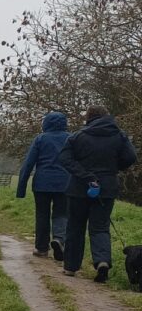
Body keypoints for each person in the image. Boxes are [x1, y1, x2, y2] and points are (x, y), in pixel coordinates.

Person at [59, 105, 138, 282]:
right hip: (107, 187)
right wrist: (114, 168)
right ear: (106, 116)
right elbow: (131, 156)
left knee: (75, 227)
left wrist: (85, 175)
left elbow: (64, 158)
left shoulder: (78, 136)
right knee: (100, 227)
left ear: (88, 118)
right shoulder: (119, 135)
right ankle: (102, 261)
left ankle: (70, 267)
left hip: (79, 188)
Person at [16, 112, 71, 260]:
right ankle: (59, 239)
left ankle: (41, 248)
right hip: (64, 183)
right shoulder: (70, 138)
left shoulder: (40, 139)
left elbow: (28, 164)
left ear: (46, 123)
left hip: (42, 184)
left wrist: (21, 188)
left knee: (42, 215)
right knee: (61, 213)